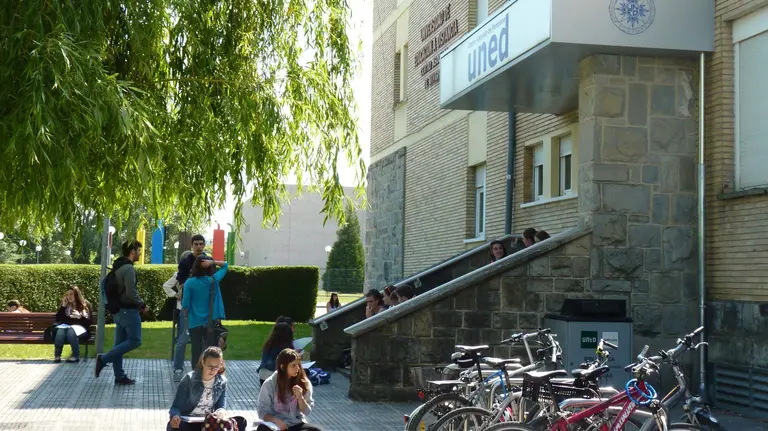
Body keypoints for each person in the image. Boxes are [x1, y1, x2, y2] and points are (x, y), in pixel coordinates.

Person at [95, 240, 146, 385]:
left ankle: (119, 376)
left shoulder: (118, 266)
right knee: (136, 340)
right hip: (128, 311)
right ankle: (103, 359)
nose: (140, 253)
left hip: (118, 311)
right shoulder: (128, 268)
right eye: (139, 250)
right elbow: (131, 293)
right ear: (132, 251)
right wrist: (143, 305)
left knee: (119, 344)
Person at [167, 346, 247, 431]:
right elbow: (176, 407)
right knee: (177, 426)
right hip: (187, 421)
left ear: (221, 365)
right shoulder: (189, 379)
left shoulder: (222, 382)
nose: (212, 370)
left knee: (241, 422)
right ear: (203, 362)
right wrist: (175, 416)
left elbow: (221, 406)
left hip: (207, 423)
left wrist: (220, 412)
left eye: (216, 367)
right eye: (209, 366)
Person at [256, 349, 321, 431]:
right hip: (276, 425)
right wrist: (276, 421)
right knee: (262, 429)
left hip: (295, 423)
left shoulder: (304, 382)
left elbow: (306, 412)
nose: (297, 368)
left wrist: (300, 398)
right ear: (283, 367)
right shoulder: (270, 383)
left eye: (298, 365)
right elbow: (261, 411)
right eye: (293, 365)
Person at [182, 255, 228, 369]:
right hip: (210, 322)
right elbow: (225, 266)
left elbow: (185, 305)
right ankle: (210, 373)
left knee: (196, 350)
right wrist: (213, 262)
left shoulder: (189, 283)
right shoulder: (212, 281)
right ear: (208, 267)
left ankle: (196, 373)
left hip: (194, 322)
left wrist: (186, 317)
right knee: (210, 351)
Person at [167, 248, 195, 381]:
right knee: (182, 338)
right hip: (183, 308)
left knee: (189, 339)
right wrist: (176, 295)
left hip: (194, 309)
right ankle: (178, 368)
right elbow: (166, 286)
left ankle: (194, 369)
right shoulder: (179, 274)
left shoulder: (198, 274)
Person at [53, 286, 91, 363]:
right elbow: (58, 318)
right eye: (67, 295)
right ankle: (57, 355)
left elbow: (88, 323)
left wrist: (80, 317)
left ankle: (75, 356)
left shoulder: (84, 304)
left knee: (71, 330)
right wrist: (63, 306)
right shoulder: (66, 305)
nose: (69, 297)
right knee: (60, 330)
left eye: (71, 294)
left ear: (76, 295)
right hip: (66, 328)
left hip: (81, 329)